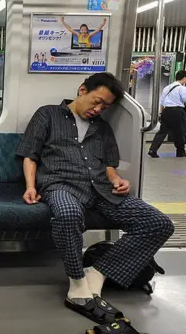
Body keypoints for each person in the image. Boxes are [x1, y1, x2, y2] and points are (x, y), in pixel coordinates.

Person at [15, 72, 174, 324]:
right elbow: (30, 155)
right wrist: (30, 186)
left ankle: (97, 273)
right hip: (61, 184)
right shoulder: (48, 114)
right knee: (68, 213)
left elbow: (109, 165)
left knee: (159, 224)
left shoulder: (102, 127)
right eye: (96, 101)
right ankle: (77, 285)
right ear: (82, 90)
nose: (98, 109)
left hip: (101, 188)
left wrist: (117, 181)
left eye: (105, 106)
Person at [148, 70, 186, 158]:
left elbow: (162, 102)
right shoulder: (182, 88)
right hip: (177, 111)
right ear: (184, 78)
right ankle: (180, 152)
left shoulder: (167, 87)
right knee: (180, 132)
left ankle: (152, 150)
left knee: (162, 131)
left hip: (166, 111)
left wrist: (161, 113)